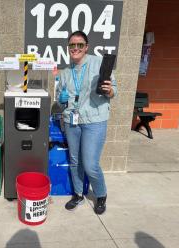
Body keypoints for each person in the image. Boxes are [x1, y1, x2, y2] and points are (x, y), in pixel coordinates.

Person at [56, 31, 117, 215]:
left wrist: (109, 91)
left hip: (94, 120)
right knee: (75, 161)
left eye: (79, 45)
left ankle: (101, 194)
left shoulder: (99, 64)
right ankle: (78, 194)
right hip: (72, 121)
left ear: (86, 47)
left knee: (90, 164)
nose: (75, 48)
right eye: (72, 45)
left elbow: (114, 90)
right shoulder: (66, 72)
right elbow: (60, 99)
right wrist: (62, 99)